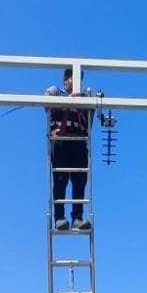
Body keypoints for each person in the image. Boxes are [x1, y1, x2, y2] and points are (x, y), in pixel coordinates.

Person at [46, 68, 94, 231]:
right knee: (60, 180)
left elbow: (89, 122)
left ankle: (77, 218)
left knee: (79, 182)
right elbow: (49, 105)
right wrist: (71, 99)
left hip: (79, 142)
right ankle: (59, 218)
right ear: (66, 80)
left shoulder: (84, 99)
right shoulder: (55, 92)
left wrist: (90, 102)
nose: (77, 83)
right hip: (61, 142)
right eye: (74, 79)